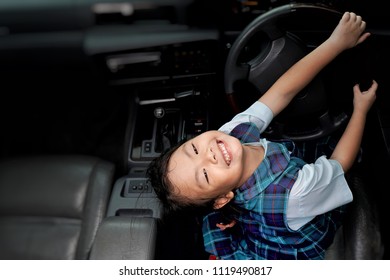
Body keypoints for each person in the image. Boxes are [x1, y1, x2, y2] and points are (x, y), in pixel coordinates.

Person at [147, 11, 378, 259]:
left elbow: (282, 92)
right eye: (204, 174)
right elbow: (340, 163)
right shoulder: (296, 193)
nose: (209, 154)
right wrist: (361, 111)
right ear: (223, 199)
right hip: (295, 231)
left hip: (264, 207)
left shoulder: (230, 133)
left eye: (193, 149)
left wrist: (335, 43)